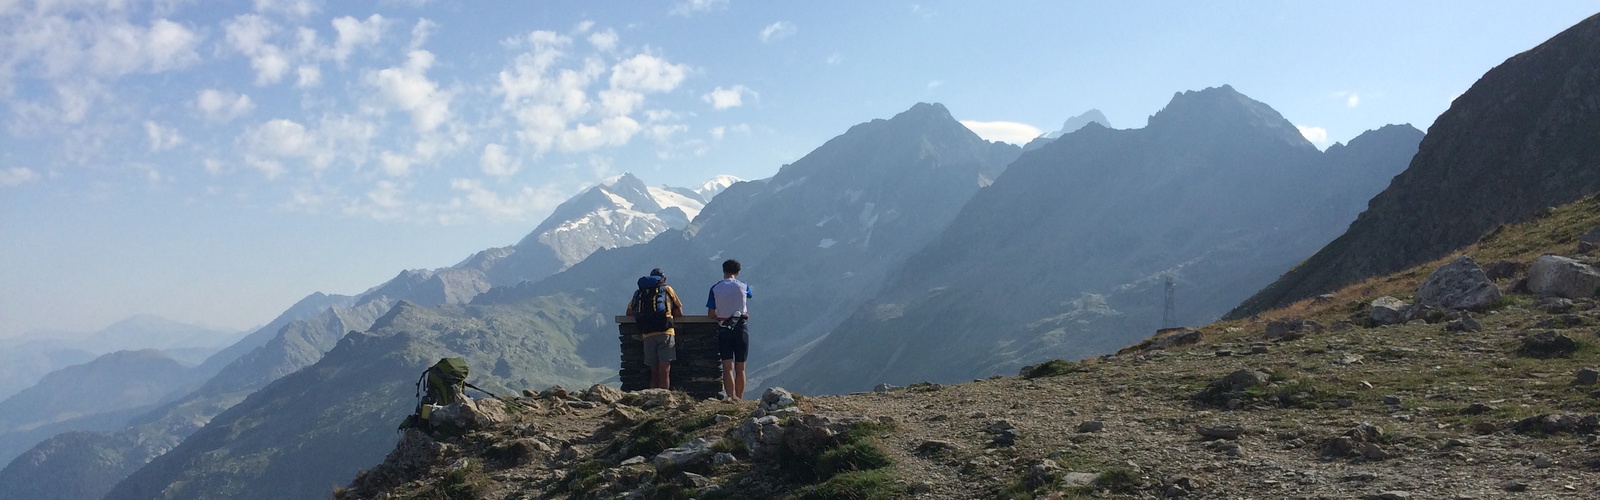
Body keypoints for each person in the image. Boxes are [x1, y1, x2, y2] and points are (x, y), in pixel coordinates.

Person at [627, 268, 683, 390]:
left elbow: (629, 311)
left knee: (654, 371)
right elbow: (679, 312)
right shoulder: (667, 289)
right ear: (663, 279)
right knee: (665, 369)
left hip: (647, 332)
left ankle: (652, 397)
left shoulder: (640, 292)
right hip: (665, 331)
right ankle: (664, 398)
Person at [706, 259, 753, 401]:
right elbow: (749, 295)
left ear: (723, 271)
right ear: (738, 272)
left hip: (724, 329)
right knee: (741, 367)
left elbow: (710, 313)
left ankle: (731, 398)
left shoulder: (715, 288)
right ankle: (740, 398)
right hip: (741, 327)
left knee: (728, 367)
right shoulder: (743, 286)